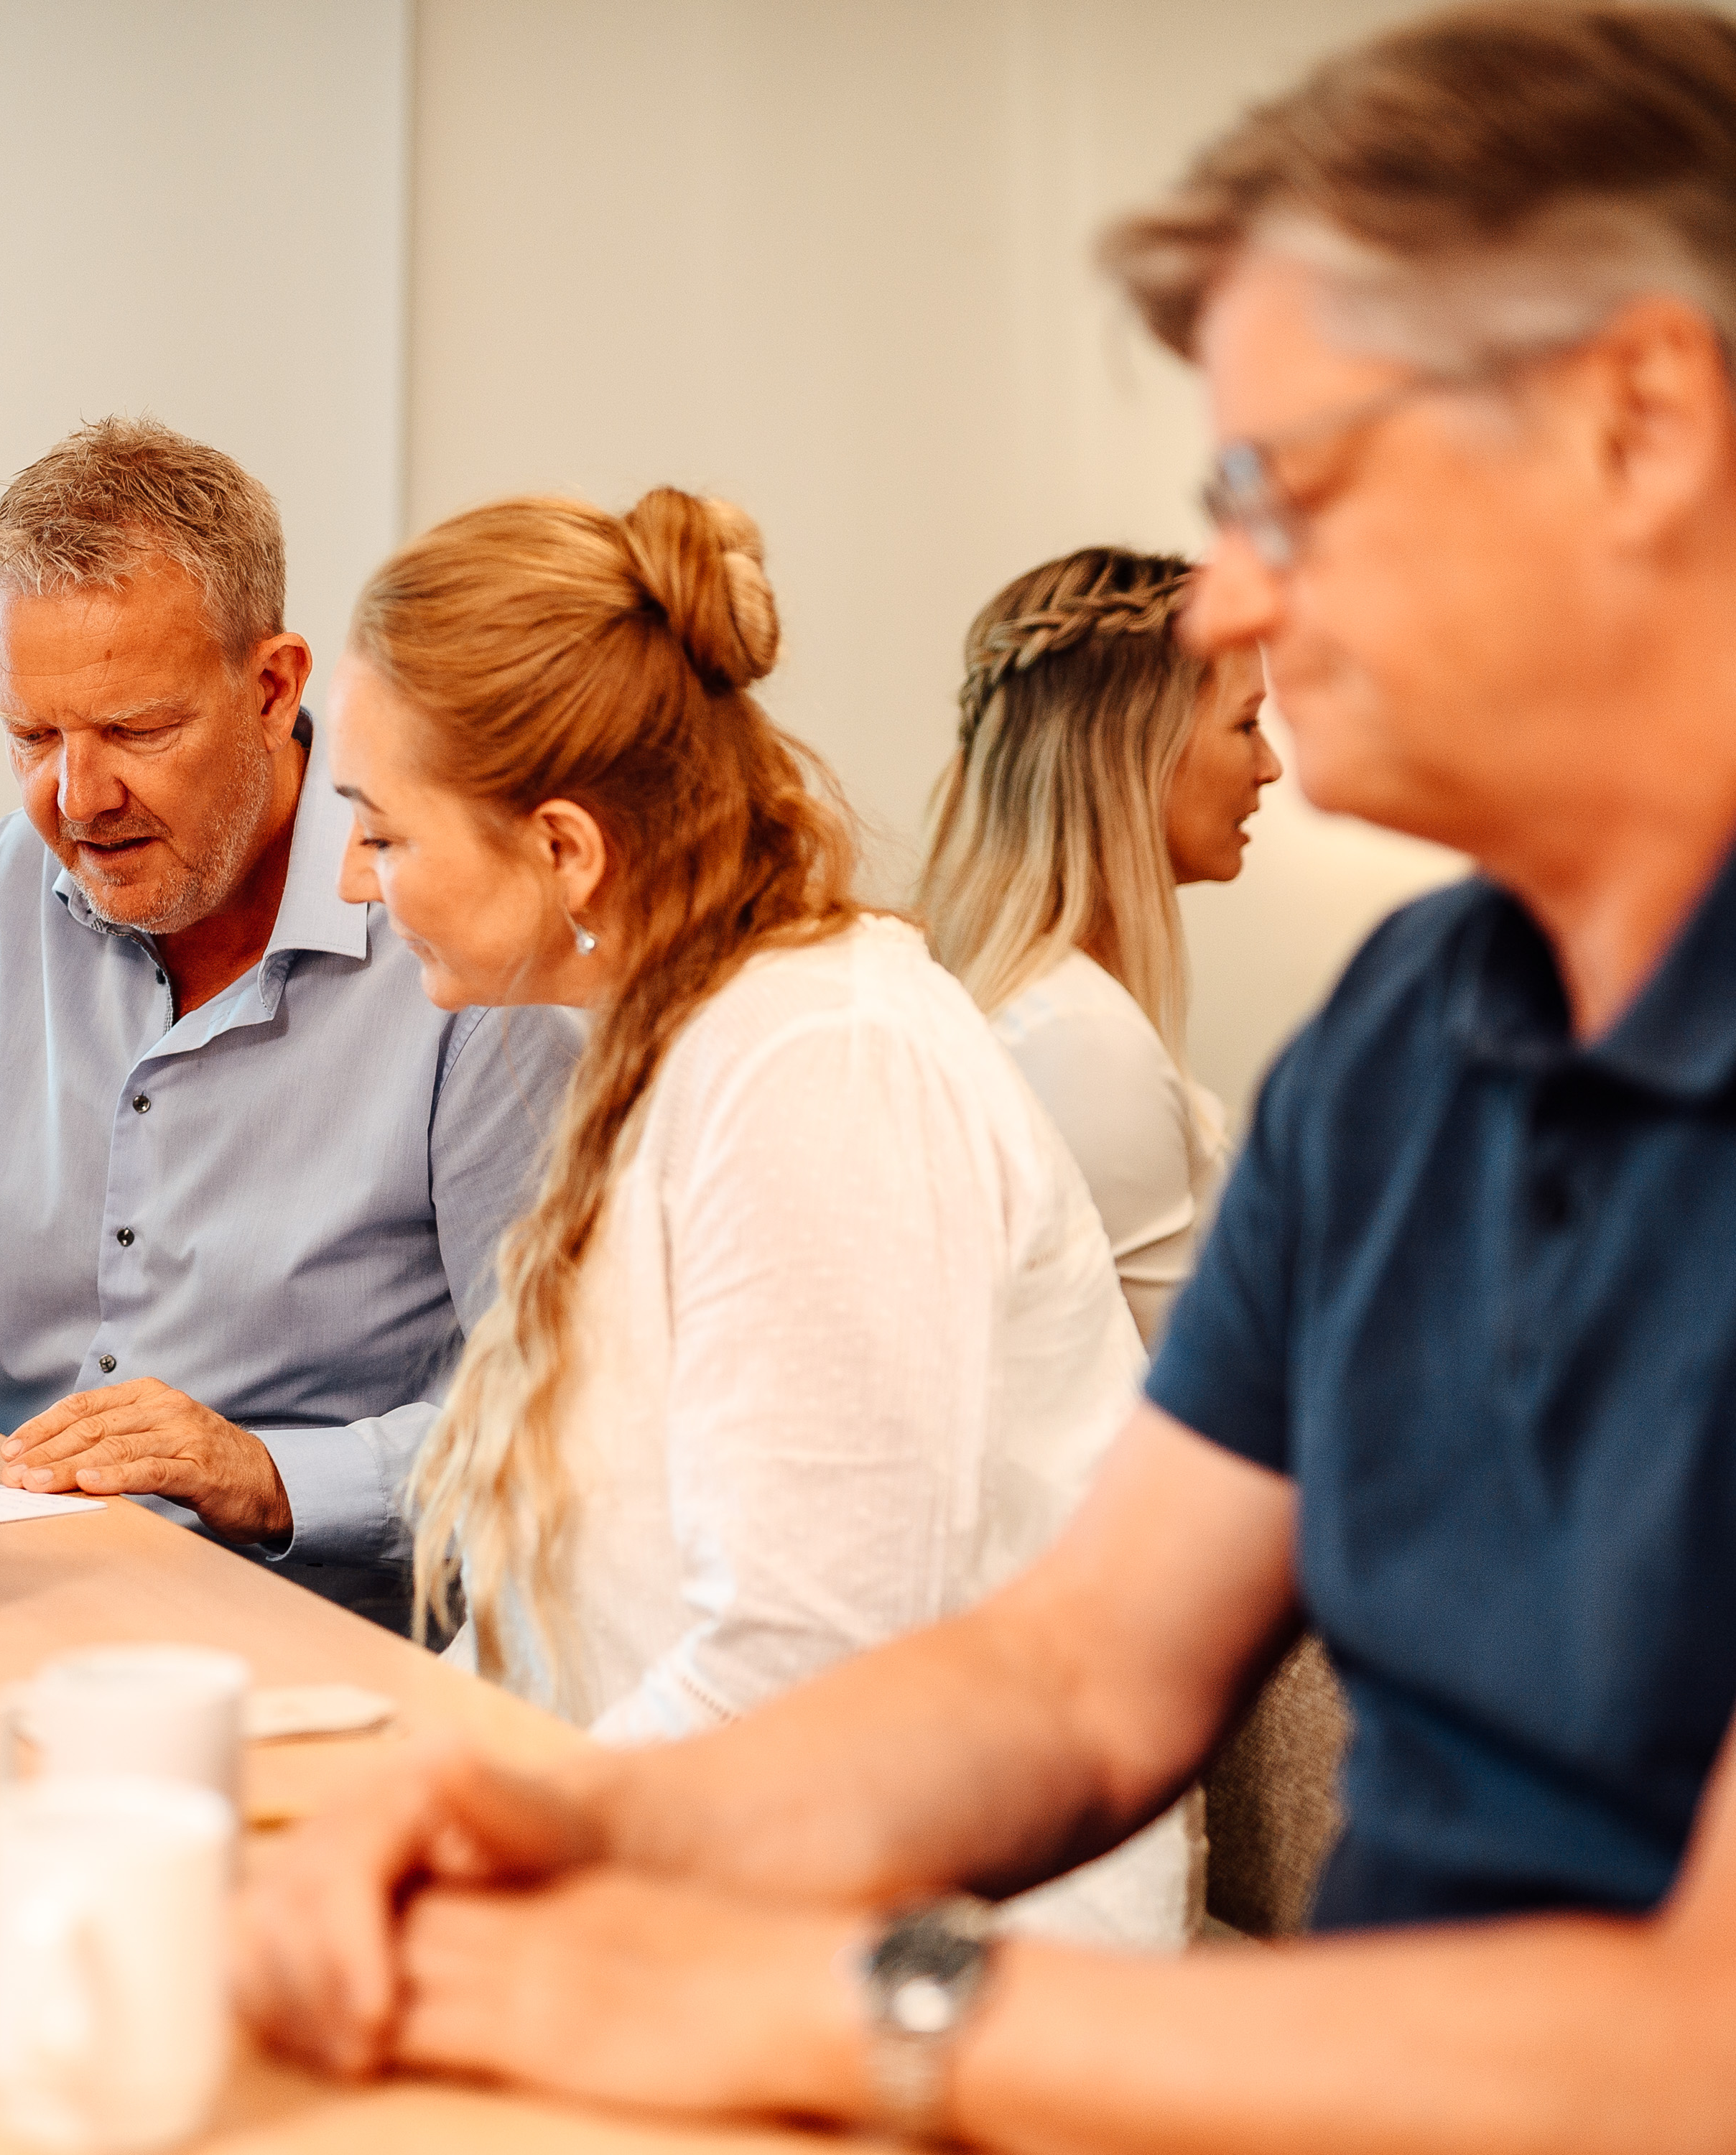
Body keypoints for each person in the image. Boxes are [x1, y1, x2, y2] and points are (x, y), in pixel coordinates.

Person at [233, 4, 1736, 2144]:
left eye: (1276, 484)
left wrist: (844, 2010)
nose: (1223, 599)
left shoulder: (831, 1053)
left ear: (1642, 417)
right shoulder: (1411, 1034)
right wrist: (576, 1836)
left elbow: (1700, 2050)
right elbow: (1077, 1673)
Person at [320, 485, 1179, 1946]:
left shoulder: (819, 1072)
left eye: (382, 833)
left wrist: (476, 1861)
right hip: (689, 1873)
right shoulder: (686, 1039)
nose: (353, 880)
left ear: (566, 852)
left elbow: (810, 1676)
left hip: (930, 1952)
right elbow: (573, 1622)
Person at [0, 419, 579, 1621]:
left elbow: (562, 1421)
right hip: (24, 1606)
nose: (76, 803)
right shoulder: (9, 893)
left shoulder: (455, 943)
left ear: (274, 686)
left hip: (326, 1637)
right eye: (31, 737)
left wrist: (265, 1472)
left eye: (137, 731)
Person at [918, 547, 1281, 1344]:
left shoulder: (1062, 1014)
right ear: (1134, 750)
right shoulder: (1079, 1041)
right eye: (1246, 725)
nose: (1271, 766)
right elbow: (1170, 1398)